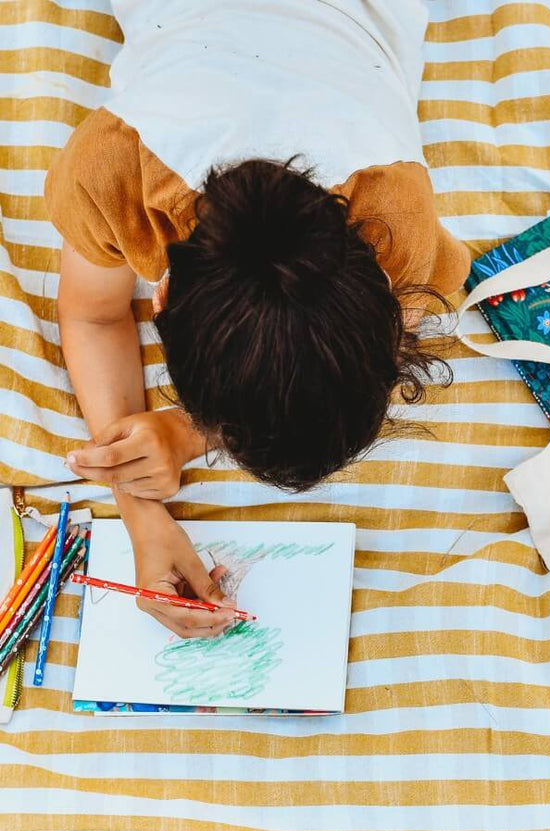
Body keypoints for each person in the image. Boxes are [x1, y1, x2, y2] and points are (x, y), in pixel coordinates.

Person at [45, 1, 470, 638]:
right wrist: (139, 509)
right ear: (159, 298)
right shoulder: (112, 172)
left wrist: (189, 435)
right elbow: (91, 318)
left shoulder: (398, 218)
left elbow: (99, 314)